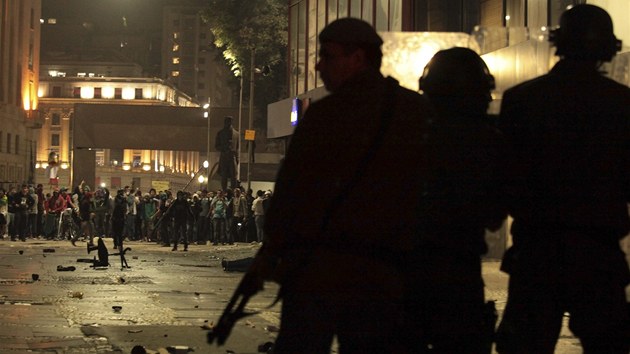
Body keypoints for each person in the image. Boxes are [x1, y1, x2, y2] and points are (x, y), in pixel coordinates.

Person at [251, 18, 434, 353]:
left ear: (358, 58)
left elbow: (291, 194)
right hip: (382, 274)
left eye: (328, 56)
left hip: (321, 273)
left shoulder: (324, 117)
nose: (319, 65)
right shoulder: (414, 111)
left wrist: (273, 252)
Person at [495, 5, 630, 354]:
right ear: (608, 47)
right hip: (599, 253)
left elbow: (505, 178)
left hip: (536, 252)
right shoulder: (622, 104)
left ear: (559, 42)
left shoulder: (522, 100)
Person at [407, 47, 507, 353]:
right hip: (459, 272)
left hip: (405, 272)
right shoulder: (488, 141)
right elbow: (494, 216)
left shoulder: (405, 134)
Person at [215, 116, 240, 190]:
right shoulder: (220, 133)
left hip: (233, 157)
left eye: (229, 121)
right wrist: (224, 148)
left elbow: (237, 148)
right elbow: (217, 146)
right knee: (224, 175)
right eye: (227, 121)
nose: (228, 123)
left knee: (234, 175)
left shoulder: (236, 134)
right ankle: (224, 190)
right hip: (224, 156)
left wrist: (237, 158)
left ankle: (233, 190)